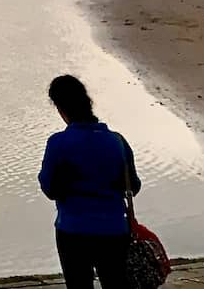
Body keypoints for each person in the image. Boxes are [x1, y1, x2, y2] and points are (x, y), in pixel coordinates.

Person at [38, 73, 138, 289]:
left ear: (60, 109)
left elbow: (49, 188)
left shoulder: (58, 143)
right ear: (88, 103)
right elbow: (134, 186)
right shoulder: (117, 141)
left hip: (73, 230)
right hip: (114, 229)